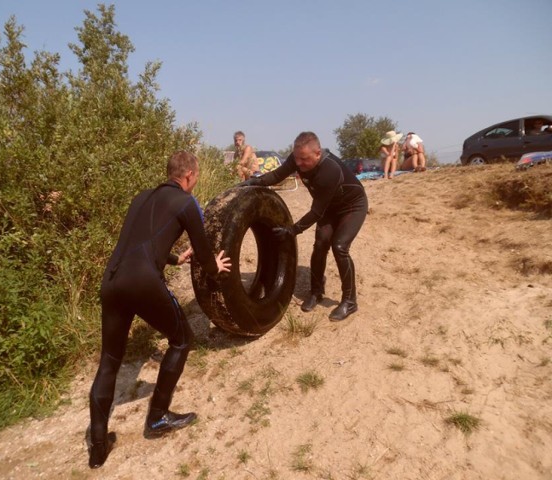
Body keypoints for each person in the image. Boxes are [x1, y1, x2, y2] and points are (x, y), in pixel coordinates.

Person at [88, 151, 232, 468]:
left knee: (110, 360)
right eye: (195, 178)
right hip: (142, 282)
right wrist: (214, 266)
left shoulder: (142, 198)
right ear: (190, 176)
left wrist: (172, 259)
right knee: (181, 339)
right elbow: (204, 247)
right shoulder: (185, 203)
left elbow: (137, 241)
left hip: (111, 281)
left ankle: (97, 446)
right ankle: (157, 418)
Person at [240, 131, 368, 322]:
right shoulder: (298, 157)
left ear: (317, 153)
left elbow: (316, 212)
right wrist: (255, 182)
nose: (298, 164)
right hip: (329, 207)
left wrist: (293, 230)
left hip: (352, 207)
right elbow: (278, 175)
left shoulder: (329, 170)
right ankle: (316, 292)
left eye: (304, 159)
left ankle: (350, 301)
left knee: (339, 247)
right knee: (320, 244)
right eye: (296, 158)